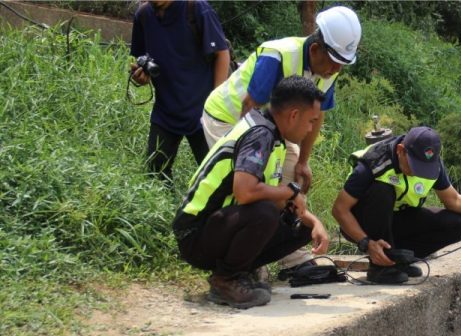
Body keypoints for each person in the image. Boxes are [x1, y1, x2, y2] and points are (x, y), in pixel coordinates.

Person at [202, 5, 361, 274]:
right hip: (228, 120)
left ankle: (292, 259)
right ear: (315, 49)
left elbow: (317, 113)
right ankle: (242, 262)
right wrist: (261, 164)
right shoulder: (278, 55)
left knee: (291, 179)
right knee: (249, 188)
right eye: (334, 61)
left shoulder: (329, 69)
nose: (336, 69)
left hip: (270, 128)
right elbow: (249, 107)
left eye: (342, 63)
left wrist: (303, 161)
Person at [172, 76, 330, 308]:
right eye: (310, 121)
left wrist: (314, 222)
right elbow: (245, 192)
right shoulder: (260, 133)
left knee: (301, 225)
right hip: (195, 234)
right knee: (265, 212)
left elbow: (273, 197)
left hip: (220, 226)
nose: (310, 129)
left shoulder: (272, 135)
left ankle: (240, 272)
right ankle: (225, 279)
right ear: (294, 115)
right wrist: (290, 192)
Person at [332, 127, 461, 284]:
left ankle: (398, 260)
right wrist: (366, 243)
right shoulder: (375, 163)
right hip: (363, 225)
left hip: (397, 219)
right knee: (382, 189)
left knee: (458, 224)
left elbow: (454, 200)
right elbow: (340, 209)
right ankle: (379, 268)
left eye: (424, 168)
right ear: (401, 151)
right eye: (414, 166)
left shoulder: (432, 164)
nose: (417, 172)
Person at [130, 0, 230, 183]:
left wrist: (216, 102)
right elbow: (142, 57)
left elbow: (222, 54)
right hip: (166, 111)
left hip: (203, 112)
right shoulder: (143, 16)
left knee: (217, 180)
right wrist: (142, 76)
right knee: (155, 175)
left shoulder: (197, 8)